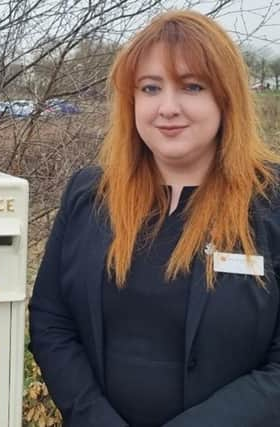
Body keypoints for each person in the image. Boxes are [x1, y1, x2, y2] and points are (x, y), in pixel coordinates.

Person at [29, 10, 280, 427]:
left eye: (192, 87)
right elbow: (52, 321)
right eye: (150, 88)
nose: (167, 107)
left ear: (226, 97)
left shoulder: (270, 202)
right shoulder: (89, 195)